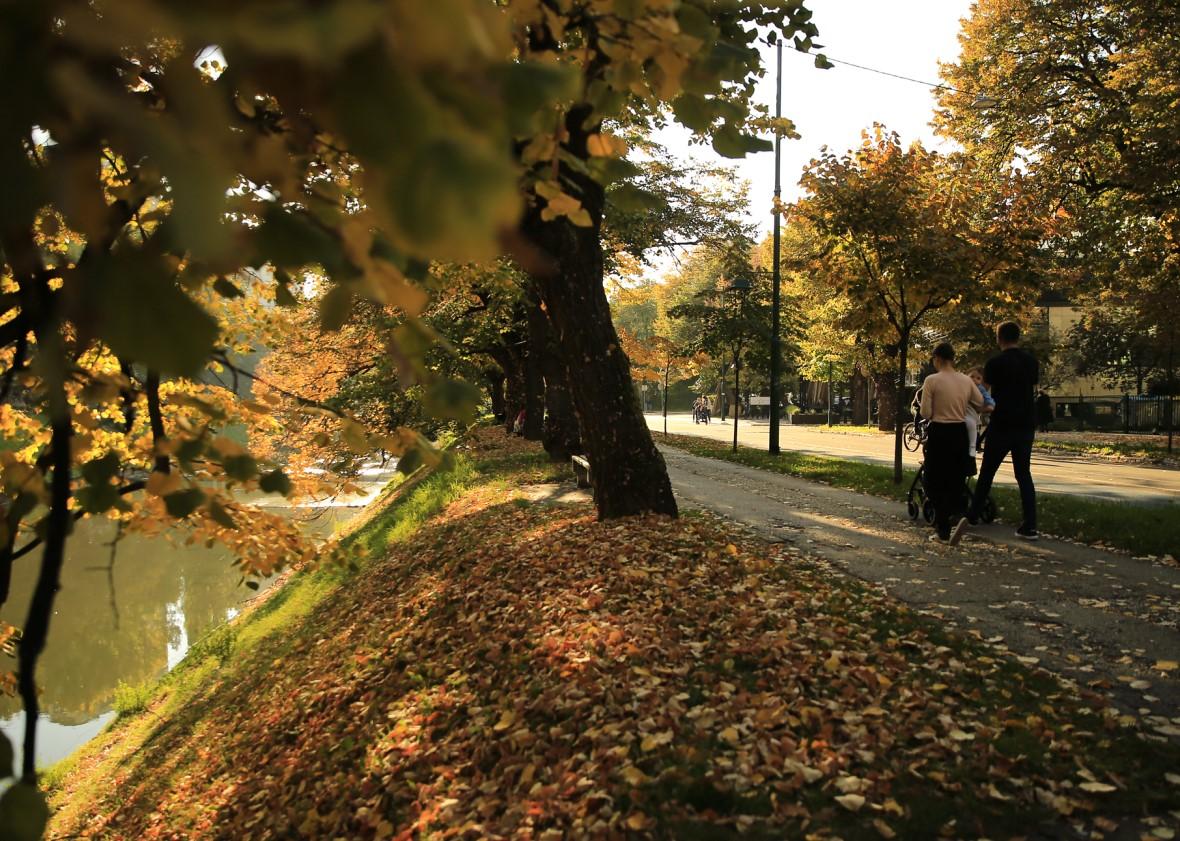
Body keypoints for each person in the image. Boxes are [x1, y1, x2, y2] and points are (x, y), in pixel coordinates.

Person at [952, 322, 1039, 544]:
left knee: (988, 472)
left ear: (999, 338)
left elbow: (984, 392)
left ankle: (972, 516)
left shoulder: (995, 363)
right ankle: (1030, 525)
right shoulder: (1031, 362)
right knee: (1023, 474)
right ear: (1018, 337)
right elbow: (1032, 387)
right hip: (1026, 425)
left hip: (1002, 424)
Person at [921, 343, 983, 543]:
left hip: (939, 431)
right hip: (959, 431)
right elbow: (981, 401)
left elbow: (925, 413)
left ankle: (943, 527)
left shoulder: (932, 380)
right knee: (955, 477)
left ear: (937, 358)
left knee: (932, 479)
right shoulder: (966, 380)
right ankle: (958, 511)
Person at [965, 367, 995, 458]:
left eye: (978, 378)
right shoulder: (962, 385)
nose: (974, 379)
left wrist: (990, 405)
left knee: (972, 427)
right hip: (960, 416)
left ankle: (973, 447)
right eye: (972, 376)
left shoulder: (980, 389)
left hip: (970, 417)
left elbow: (986, 399)